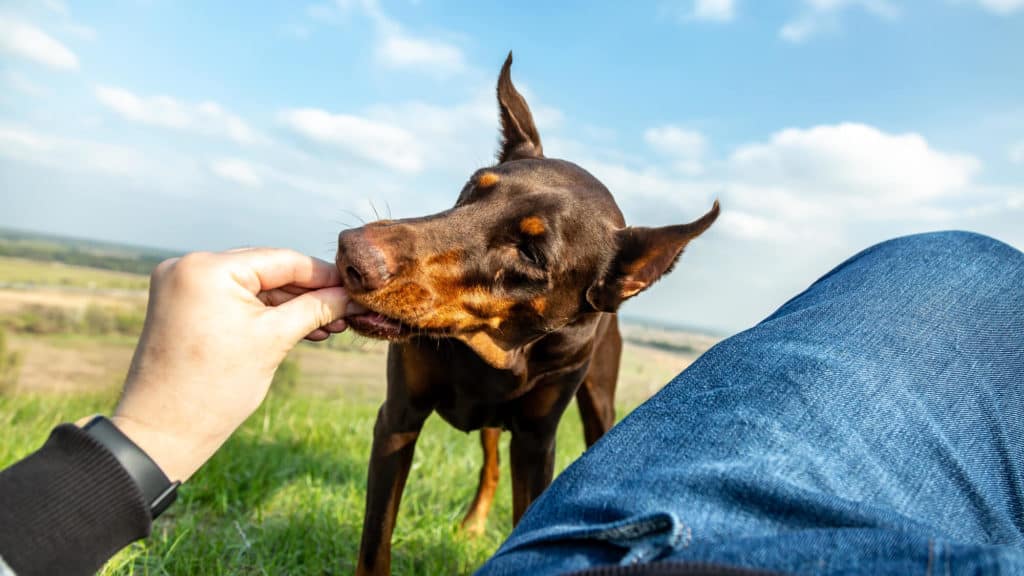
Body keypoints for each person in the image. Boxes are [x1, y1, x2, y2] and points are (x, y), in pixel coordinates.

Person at [1, 231, 1022, 575]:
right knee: (955, 269)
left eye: (526, 247)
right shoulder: (420, 335)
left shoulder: (587, 326)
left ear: (619, 284)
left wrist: (129, 447)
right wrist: (141, 444)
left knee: (591, 439)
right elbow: (390, 439)